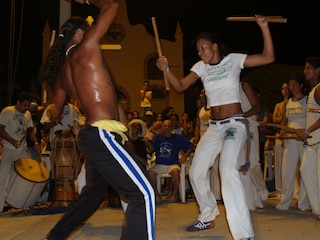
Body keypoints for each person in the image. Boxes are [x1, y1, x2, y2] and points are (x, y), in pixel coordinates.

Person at [39, 1, 155, 239]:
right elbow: (111, 5)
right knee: (144, 193)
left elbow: (55, 110)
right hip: (102, 135)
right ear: (81, 33)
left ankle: (55, 236)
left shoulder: (62, 72)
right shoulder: (87, 47)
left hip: (96, 136)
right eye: (87, 29)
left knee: (93, 194)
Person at [156, 15, 274, 240]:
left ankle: (243, 234)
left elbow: (268, 57)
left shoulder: (233, 60)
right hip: (214, 126)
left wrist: (264, 28)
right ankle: (207, 214)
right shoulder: (201, 67)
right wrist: (167, 69)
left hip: (234, 124)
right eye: (199, 50)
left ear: (215, 46)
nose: (200, 53)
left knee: (228, 170)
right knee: (197, 170)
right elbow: (180, 86)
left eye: (204, 48)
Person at [0, 92, 41, 212]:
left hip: (22, 149)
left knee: (25, 177)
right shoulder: (7, 112)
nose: (27, 108)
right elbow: (0, 129)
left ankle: (21, 203)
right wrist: (12, 141)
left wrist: (36, 143)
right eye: (25, 105)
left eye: (28, 106)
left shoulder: (27, 114)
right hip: (9, 149)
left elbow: (30, 131)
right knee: (4, 177)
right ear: (17, 103)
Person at [275, 74, 311, 211]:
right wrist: (283, 132)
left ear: (301, 85)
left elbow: (312, 119)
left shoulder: (308, 101)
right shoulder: (287, 103)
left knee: (304, 170)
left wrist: (305, 131)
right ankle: (285, 202)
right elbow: (284, 123)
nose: (292, 87)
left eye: (295, 84)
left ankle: (303, 203)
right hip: (290, 140)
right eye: (290, 85)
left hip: (304, 139)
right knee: (287, 170)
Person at [297, 57, 320, 222]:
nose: (305, 71)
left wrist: (307, 130)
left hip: (318, 140)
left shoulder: (319, 89)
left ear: (318, 70)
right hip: (312, 141)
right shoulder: (312, 91)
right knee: (305, 170)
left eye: (308, 68)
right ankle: (318, 209)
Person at [239, 82, 269, 210]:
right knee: (243, 166)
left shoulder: (244, 86)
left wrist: (242, 116)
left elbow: (257, 108)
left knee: (253, 164)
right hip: (237, 129)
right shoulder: (226, 87)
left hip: (250, 127)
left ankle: (262, 190)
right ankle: (253, 199)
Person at [148, 120, 194, 202]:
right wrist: (147, 143)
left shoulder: (178, 138)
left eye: (169, 126)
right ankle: (157, 195)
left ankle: (174, 194)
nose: (167, 128)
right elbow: (152, 151)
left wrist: (184, 156)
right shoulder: (157, 138)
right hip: (159, 164)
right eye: (164, 126)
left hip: (172, 164)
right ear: (162, 128)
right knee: (150, 173)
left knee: (176, 172)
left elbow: (190, 146)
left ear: (172, 128)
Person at [272, 82, 290, 198]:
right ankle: (279, 190)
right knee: (278, 163)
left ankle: (290, 190)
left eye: (287, 88)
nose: (285, 90)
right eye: (283, 88)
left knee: (289, 165)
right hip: (279, 136)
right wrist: (283, 117)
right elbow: (274, 119)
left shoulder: (293, 103)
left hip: (290, 136)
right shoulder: (278, 105)